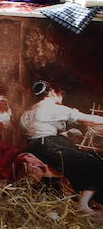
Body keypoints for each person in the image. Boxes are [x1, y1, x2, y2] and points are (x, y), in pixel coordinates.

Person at [21, 80, 103, 217]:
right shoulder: (52, 108)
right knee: (94, 163)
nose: (62, 98)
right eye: (61, 95)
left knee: (78, 158)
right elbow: (87, 119)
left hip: (34, 146)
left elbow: (38, 130)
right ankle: (83, 205)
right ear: (53, 92)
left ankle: (85, 200)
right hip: (49, 145)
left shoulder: (27, 113)